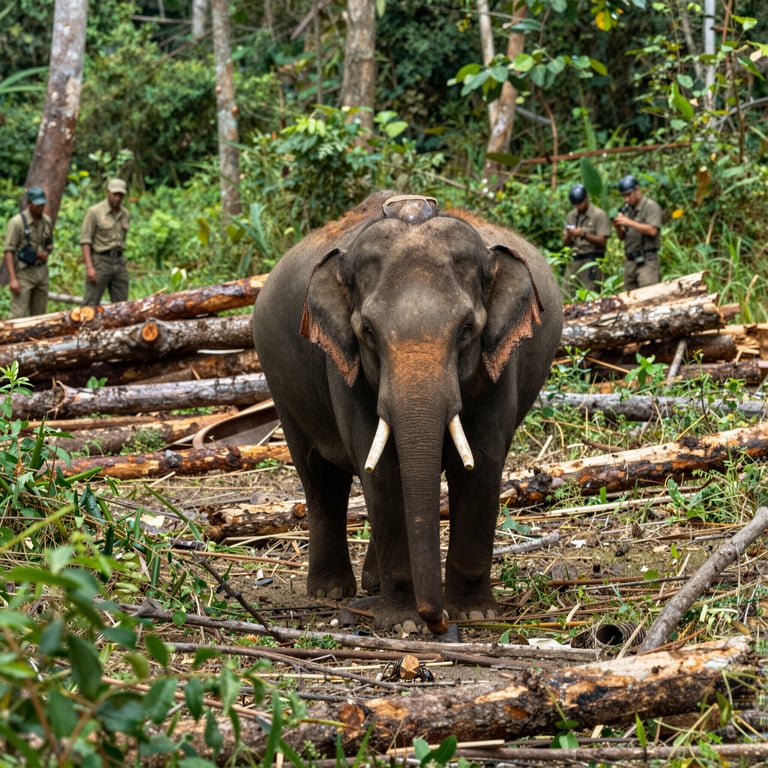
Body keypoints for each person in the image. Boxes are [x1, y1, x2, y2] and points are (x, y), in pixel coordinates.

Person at [2, 186, 54, 318]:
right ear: (28, 203)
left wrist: (46, 253)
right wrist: (12, 278)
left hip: (41, 271)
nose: (40, 208)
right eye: (37, 205)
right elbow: (9, 251)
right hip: (24, 272)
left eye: (42, 204)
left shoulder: (46, 221)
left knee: (40, 314)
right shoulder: (17, 222)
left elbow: (50, 243)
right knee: (18, 314)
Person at [80, 178, 131, 307]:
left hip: (119, 262)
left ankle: (121, 327)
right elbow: (85, 241)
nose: (117, 198)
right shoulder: (95, 212)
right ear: (108, 193)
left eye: (120, 195)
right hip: (101, 262)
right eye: (115, 194)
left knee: (122, 305)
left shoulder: (125, 214)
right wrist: (90, 267)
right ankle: (86, 327)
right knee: (90, 303)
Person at [612, 174, 663, 291]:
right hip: (630, 262)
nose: (626, 199)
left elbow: (653, 231)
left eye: (628, 195)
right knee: (630, 300)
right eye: (623, 196)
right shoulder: (627, 209)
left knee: (648, 297)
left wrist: (629, 222)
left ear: (637, 190)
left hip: (647, 262)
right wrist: (618, 226)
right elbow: (622, 237)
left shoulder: (651, 206)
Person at [562, 183, 610, 296]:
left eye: (580, 203)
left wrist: (583, 234)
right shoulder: (571, 216)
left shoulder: (599, 215)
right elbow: (565, 243)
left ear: (587, 198)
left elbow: (603, 242)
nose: (578, 207)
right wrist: (569, 235)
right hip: (574, 261)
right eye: (575, 205)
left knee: (590, 296)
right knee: (567, 295)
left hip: (591, 261)